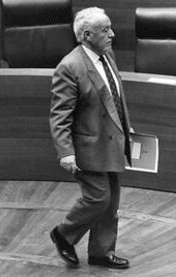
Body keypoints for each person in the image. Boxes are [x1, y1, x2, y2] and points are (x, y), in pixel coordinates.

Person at [49, 7, 133, 269]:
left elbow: (114, 96)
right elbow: (59, 115)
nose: (112, 34)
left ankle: (101, 252)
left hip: (110, 142)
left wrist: (125, 127)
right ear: (86, 35)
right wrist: (66, 152)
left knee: (112, 200)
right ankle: (64, 234)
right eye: (105, 30)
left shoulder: (107, 54)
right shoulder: (70, 67)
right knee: (99, 198)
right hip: (86, 147)